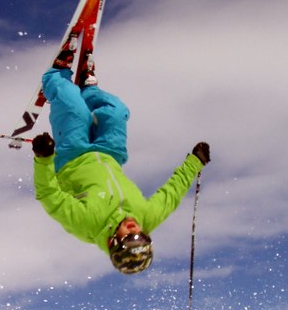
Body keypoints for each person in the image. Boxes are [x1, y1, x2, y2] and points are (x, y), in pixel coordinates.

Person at [32, 47, 210, 274]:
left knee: (74, 109)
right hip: (109, 153)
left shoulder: (87, 224)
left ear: (113, 243)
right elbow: (171, 194)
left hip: (72, 155)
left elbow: (50, 196)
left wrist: (44, 158)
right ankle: (88, 89)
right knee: (116, 110)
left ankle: (56, 77)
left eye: (131, 238)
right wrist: (195, 162)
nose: (136, 229)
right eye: (143, 237)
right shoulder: (145, 217)